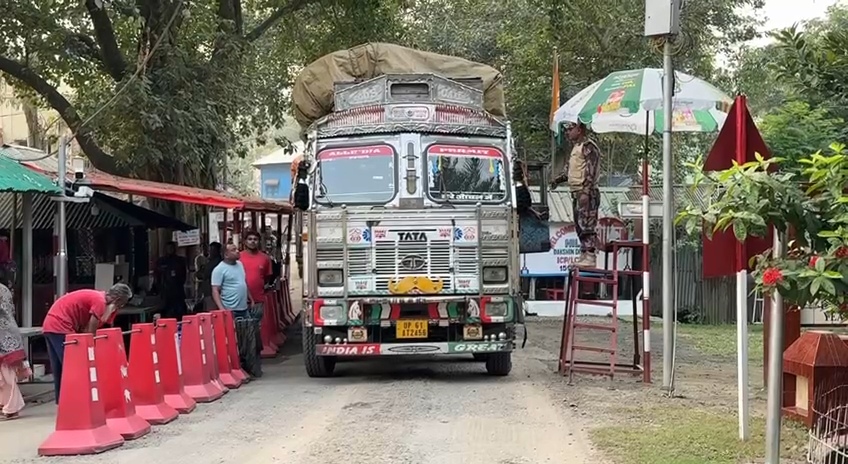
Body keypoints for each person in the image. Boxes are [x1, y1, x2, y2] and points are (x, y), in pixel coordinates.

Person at [42, 284, 132, 402]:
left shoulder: (107, 304)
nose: (122, 306)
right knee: (73, 365)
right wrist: (92, 348)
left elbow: (105, 326)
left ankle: (62, 401)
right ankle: (75, 400)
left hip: (51, 324)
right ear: (118, 300)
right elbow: (91, 331)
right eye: (123, 303)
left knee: (60, 366)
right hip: (61, 325)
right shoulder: (100, 301)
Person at [550, 121, 601, 268]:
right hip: (576, 192)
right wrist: (557, 180)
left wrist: (586, 191)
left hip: (587, 193)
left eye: (570, 129)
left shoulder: (588, 147)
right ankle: (584, 254)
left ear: (579, 129)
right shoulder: (575, 148)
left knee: (587, 224)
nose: (567, 132)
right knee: (579, 225)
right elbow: (569, 171)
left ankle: (590, 256)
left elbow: (591, 171)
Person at [211, 243, 260, 378]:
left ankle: (249, 366)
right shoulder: (219, 270)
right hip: (230, 310)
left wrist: (251, 299)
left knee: (248, 339)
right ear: (226, 254)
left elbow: (243, 283)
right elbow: (215, 291)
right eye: (233, 250)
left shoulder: (240, 265)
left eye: (237, 249)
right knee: (234, 340)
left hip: (244, 309)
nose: (238, 251)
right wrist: (222, 309)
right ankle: (237, 366)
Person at [0, 264, 28, 419]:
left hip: (4, 335)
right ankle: (5, 404)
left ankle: (12, 407)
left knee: (6, 374)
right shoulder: (4, 288)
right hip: (8, 330)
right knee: (3, 375)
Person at [155, 241, 188, 320]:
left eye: (171, 248)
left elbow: (183, 275)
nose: (170, 250)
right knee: (166, 313)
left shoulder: (180, 261)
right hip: (165, 291)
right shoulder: (161, 261)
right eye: (168, 248)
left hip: (177, 291)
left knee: (179, 313)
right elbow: (157, 275)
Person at [199, 242, 223, 310]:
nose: (210, 252)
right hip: (208, 292)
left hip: (212, 293)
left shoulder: (216, 263)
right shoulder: (210, 261)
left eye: (212, 250)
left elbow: (204, 275)